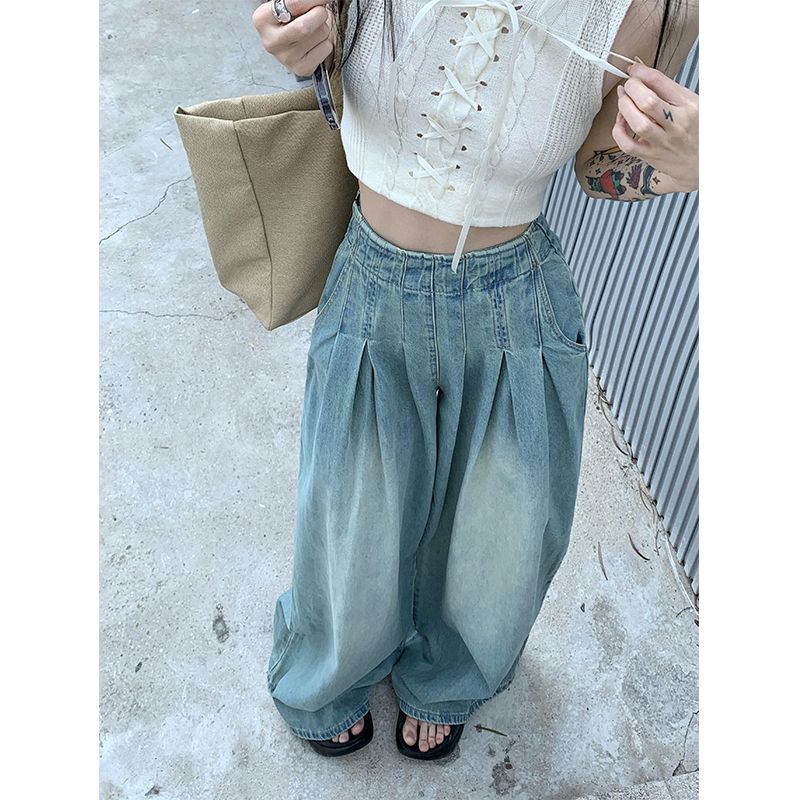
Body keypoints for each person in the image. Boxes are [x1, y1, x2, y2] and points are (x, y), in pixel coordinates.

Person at [252, 0, 699, 759]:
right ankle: (332, 665)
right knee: (350, 515)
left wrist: (686, 164)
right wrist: (288, 36)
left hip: (514, 301)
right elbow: (304, 32)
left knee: (501, 536)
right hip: (372, 286)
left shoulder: (647, 8)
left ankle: (448, 676)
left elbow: (600, 166)